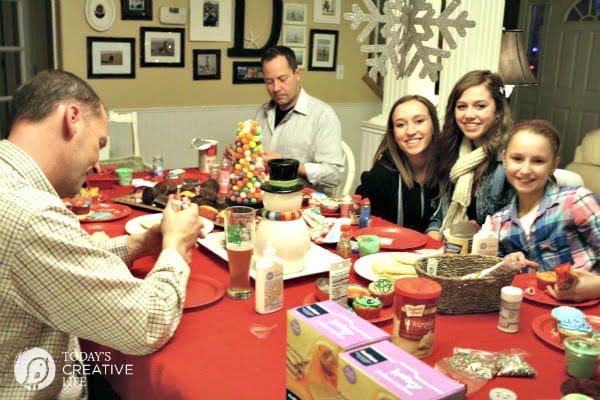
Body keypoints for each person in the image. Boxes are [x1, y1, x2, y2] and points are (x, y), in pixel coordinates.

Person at [0, 70, 205, 398]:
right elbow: (149, 323)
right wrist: (175, 248)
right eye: (100, 144)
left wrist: (138, 244)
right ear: (72, 118)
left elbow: (54, 267)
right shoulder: (31, 215)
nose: (98, 165)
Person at [490, 119, 599, 274]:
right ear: (505, 159)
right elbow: (492, 277)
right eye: (517, 159)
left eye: (538, 161)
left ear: (553, 166)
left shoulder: (576, 201)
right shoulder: (498, 223)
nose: (526, 170)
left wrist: (593, 287)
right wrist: (505, 265)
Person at [430, 70, 514, 236]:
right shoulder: (450, 150)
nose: (469, 115)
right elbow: (439, 214)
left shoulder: (511, 157)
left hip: (490, 253)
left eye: (480, 106)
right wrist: (432, 235)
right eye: (461, 106)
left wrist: (479, 233)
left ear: (498, 112)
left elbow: (517, 224)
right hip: (450, 247)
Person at [254, 45, 343, 196]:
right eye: (269, 81)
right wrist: (241, 154)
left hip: (304, 204)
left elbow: (334, 175)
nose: (276, 88)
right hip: (264, 197)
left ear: (297, 74)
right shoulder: (262, 113)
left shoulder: (322, 115)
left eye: (282, 79)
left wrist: (287, 164)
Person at [355, 95, 443, 239]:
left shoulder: (447, 168)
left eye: (419, 121)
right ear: (393, 133)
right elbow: (364, 227)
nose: (410, 131)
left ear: (433, 125)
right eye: (400, 125)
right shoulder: (379, 176)